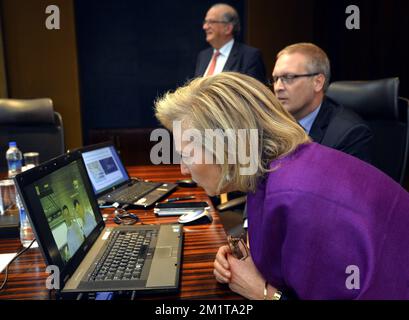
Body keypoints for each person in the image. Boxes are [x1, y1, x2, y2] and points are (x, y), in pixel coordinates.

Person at [154, 72, 409, 299]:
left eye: (186, 155)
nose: (183, 170)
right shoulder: (278, 167)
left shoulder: (299, 198)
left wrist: (263, 293)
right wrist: (249, 255)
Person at [272, 42, 373, 163]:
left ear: (318, 82)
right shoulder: (270, 123)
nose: (278, 87)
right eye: (275, 79)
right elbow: (250, 173)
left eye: (288, 77)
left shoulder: (349, 134)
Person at [194, 3, 266, 83]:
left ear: (228, 28)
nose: (205, 27)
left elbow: (255, 92)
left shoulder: (250, 57)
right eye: (205, 22)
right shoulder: (203, 56)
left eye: (211, 22)